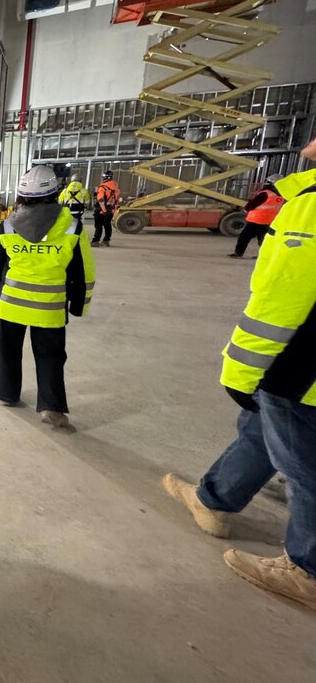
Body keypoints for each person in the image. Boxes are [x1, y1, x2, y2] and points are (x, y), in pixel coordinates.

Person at [162, 133, 316, 612]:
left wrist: (241, 368)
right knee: (261, 432)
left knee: (304, 466)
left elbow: (280, 299)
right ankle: (215, 500)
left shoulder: (311, 206)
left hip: (301, 368)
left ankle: (308, 569)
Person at [0, 165, 95, 430]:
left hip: (11, 305)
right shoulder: (72, 227)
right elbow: (82, 270)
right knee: (51, 356)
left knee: (7, 351)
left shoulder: (8, 225)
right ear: (55, 193)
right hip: (49, 308)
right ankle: (51, 406)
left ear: (22, 196)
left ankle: (5, 393)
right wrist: (79, 304)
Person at [228, 175, 285, 258]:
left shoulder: (265, 193)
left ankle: (238, 253)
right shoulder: (281, 195)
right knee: (263, 240)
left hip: (256, 220)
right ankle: (263, 255)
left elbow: (253, 204)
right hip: (268, 221)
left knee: (244, 237)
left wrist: (246, 209)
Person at [91, 169, 120, 247]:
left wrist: (103, 210)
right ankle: (106, 241)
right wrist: (113, 210)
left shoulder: (102, 187)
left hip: (101, 210)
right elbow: (116, 200)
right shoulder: (115, 187)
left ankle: (95, 241)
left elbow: (100, 200)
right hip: (111, 209)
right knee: (107, 225)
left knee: (98, 226)